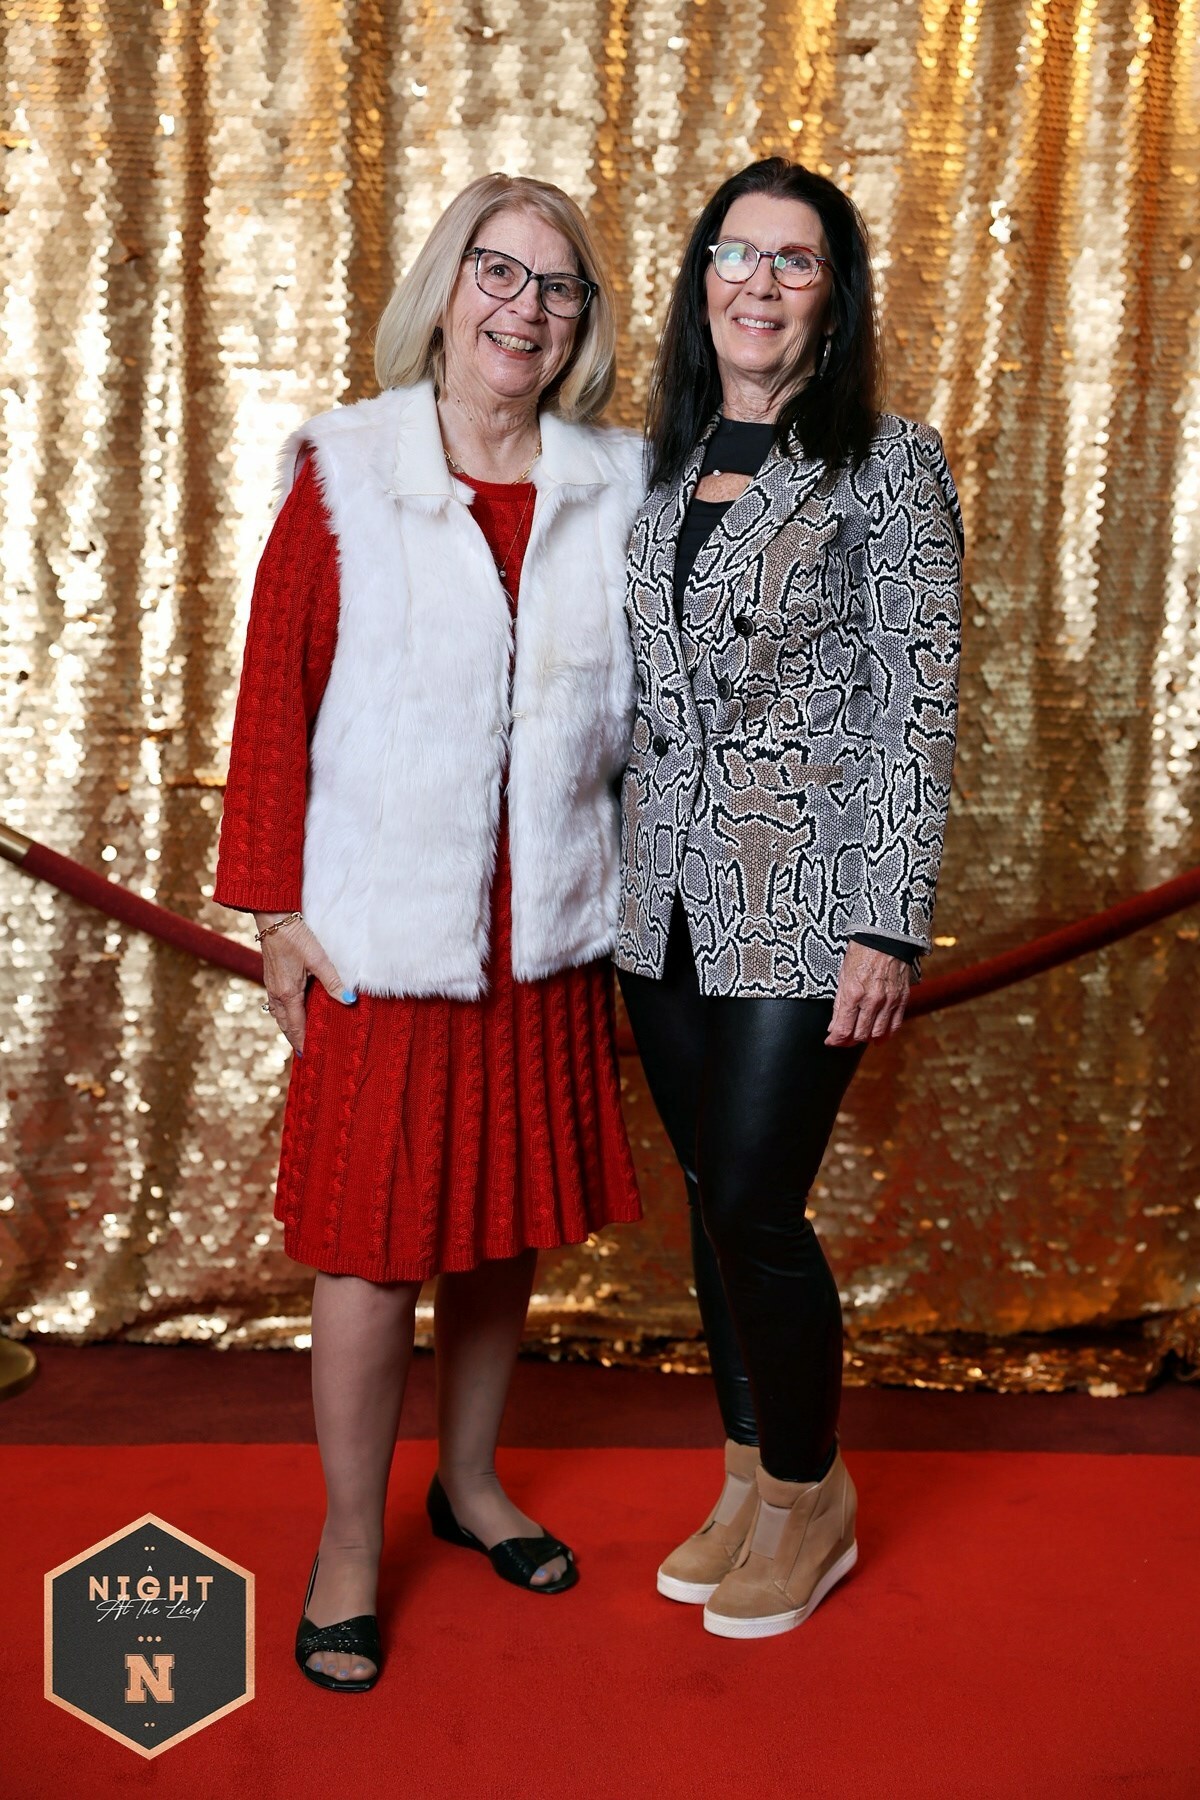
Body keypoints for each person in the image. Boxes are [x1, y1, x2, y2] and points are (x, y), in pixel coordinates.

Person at [214, 173, 644, 1690]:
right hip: (385, 935)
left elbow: (660, 718)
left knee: (501, 1225)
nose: (526, 309)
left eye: (558, 286)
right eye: (498, 273)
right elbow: (273, 698)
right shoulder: (347, 471)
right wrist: (274, 908)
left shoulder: (619, 487)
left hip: (551, 931)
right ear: (447, 290)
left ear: (583, 322)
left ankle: (467, 1483)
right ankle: (348, 1541)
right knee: (371, 1247)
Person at [615, 157, 963, 1640]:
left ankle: (813, 1494)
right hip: (661, 893)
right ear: (702, 279)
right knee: (710, 1197)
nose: (758, 283)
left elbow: (916, 706)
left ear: (834, 295)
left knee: (757, 1195)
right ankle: (751, 1476)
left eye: (794, 261)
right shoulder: (660, 463)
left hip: (810, 893)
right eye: (735, 254)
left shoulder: (889, 464)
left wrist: (889, 918)